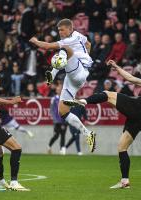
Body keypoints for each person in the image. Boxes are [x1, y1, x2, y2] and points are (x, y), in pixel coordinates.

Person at [64, 59, 141, 188]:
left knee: (107, 94)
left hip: (138, 108)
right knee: (122, 148)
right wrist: (117, 67)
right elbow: (131, 78)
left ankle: (82, 101)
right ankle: (125, 181)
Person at [29, 18, 96, 152]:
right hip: (72, 77)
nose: (60, 32)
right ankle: (88, 133)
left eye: (62, 30)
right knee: (63, 112)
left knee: (63, 49)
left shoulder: (69, 40)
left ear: (70, 29)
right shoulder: (79, 35)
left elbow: (47, 46)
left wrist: (35, 41)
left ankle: (52, 74)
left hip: (80, 70)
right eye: (58, 30)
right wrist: (86, 55)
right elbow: (88, 44)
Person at [48, 84, 68, 155]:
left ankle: (62, 150)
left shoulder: (65, 99)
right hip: (57, 121)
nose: (59, 91)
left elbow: (68, 109)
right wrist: (54, 119)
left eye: (60, 89)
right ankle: (49, 146)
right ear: (56, 90)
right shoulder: (54, 99)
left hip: (64, 120)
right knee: (56, 135)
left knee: (63, 135)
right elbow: (52, 110)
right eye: (58, 89)